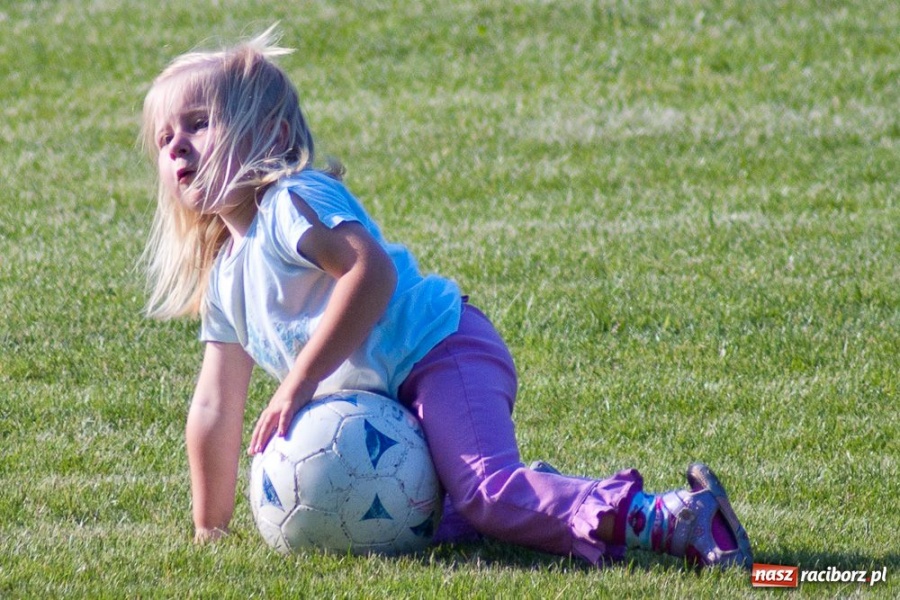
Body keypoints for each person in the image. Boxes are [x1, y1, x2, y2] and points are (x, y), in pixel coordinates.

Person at [139, 27, 753, 569]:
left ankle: (679, 518)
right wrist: (208, 530)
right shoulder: (225, 273)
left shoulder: (292, 203)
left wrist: (300, 381)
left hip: (440, 352)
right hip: (393, 396)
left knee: (486, 495)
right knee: (437, 520)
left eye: (199, 123)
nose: (176, 146)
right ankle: (521, 494)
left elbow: (369, 276)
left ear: (269, 132)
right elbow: (216, 405)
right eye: (164, 138)